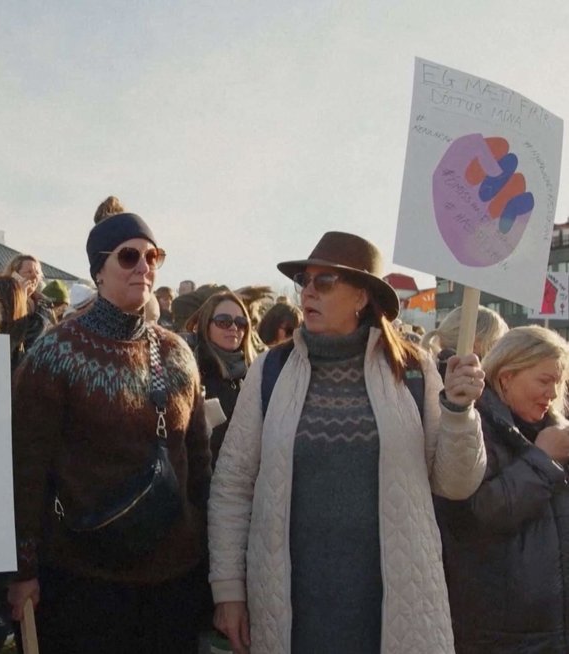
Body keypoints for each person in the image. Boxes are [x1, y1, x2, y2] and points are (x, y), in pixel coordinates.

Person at [208, 231, 487, 654]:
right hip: (290, 608)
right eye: (304, 281)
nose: (307, 292)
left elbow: (456, 484)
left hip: (392, 610)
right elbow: (233, 485)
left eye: (324, 281)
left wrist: (459, 413)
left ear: (362, 296)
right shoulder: (270, 371)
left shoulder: (414, 370)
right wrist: (228, 589)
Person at [7, 213, 211, 653]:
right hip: (83, 582)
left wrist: (208, 556)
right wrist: (24, 570)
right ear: (98, 270)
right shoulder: (55, 352)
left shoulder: (177, 352)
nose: (145, 267)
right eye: (129, 256)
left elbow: (198, 464)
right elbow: (25, 469)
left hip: (172, 581)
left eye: (153, 256)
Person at [435, 326, 569, 652]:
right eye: (544, 380)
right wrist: (543, 460)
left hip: (552, 628)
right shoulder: (473, 429)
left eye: (559, 382)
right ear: (506, 377)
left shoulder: (553, 432)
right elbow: (476, 516)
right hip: (502, 634)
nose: (553, 393)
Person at [184, 290, 256, 463]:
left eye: (241, 322)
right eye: (223, 321)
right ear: (206, 325)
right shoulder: (189, 369)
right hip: (200, 470)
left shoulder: (256, 373)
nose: (233, 328)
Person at [421, 305, 509, 378]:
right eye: (497, 343)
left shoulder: (431, 374)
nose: (503, 351)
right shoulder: (474, 383)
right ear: (475, 345)